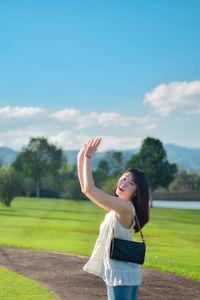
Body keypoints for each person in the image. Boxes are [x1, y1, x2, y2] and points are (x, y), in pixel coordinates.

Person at [77, 138, 150, 300]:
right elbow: (86, 190)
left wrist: (88, 158)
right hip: (123, 275)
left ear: (137, 192)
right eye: (123, 178)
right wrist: (81, 157)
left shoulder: (124, 208)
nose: (123, 183)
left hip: (121, 277)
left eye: (130, 183)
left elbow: (90, 188)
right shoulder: (119, 208)